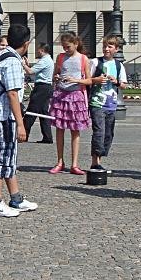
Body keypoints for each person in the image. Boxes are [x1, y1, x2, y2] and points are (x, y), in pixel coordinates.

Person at [0, 24, 38, 217]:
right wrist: (21, 124)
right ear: (27, 43)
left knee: (8, 157)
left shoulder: (2, 55)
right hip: (3, 117)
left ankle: (16, 198)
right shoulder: (13, 61)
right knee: (1, 158)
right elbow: (13, 94)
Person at [48, 31, 92, 175]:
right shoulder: (60, 57)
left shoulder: (83, 58)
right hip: (61, 95)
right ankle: (60, 162)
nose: (66, 49)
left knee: (75, 130)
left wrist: (76, 80)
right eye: (64, 47)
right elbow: (55, 74)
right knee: (59, 129)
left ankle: (75, 164)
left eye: (68, 47)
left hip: (76, 96)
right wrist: (56, 77)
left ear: (76, 44)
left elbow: (89, 80)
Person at [88, 35, 128, 173]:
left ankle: (100, 159)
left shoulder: (118, 65)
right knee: (99, 131)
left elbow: (123, 85)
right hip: (97, 102)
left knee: (108, 134)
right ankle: (95, 163)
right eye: (104, 46)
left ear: (116, 49)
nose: (106, 49)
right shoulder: (95, 62)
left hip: (111, 104)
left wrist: (116, 81)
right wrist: (96, 80)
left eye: (110, 46)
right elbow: (87, 79)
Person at [22, 43, 55, 144]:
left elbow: (30, 72)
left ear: (42, 50)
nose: (37, 51)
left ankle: (23, 135)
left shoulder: (44, 60)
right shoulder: (48, 60)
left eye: (38, 49)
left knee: (31, 110)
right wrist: (27, 65)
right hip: (46, 87)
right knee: (43, 113)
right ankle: (47, 137)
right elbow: (34, 70)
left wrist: (23, 64)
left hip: (41, 88)